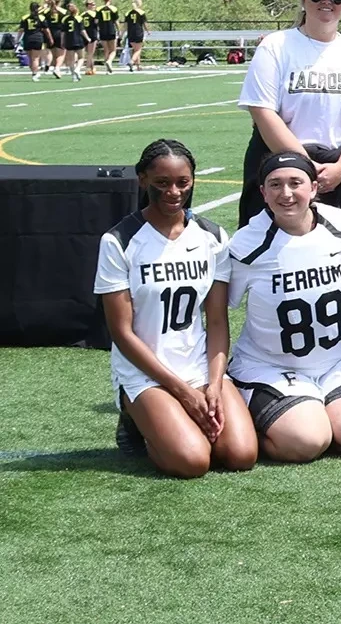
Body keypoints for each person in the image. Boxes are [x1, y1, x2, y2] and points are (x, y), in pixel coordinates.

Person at [95, 139, 257, 477]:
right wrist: (183, 393)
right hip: (146, 371)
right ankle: (136, 419)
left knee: (240, 455)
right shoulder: (119, 241)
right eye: (162, 183)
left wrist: (214, 384)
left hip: (198, 363)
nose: (173, 192)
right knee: (192, 462)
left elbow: (216, 321)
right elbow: (122, 334)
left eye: (182, 182)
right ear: (142, 181)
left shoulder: (211, 236)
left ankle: (172, 421)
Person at [215, 152, 341, 463]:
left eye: (295, 183)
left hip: (340, 362)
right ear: (262, 193)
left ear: (313, 187)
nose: (286, 193)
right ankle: (254, 423)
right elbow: (218, 313)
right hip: (269, 366)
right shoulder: (246, 245)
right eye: (275, 185)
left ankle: (318, 411)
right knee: (307, 441)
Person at [236, 0, 341, 226]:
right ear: (303, 0)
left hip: (336, 171)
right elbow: (262, 112)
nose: (327, 1)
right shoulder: (276, 46)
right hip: (280, 165)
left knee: (338, 256)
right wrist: (303, 167)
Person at [60, 0, 91, 81]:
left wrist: (62, 41)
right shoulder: (79, 18)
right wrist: (87, 38)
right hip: (78, 40)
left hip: (69, 40)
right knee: (81, 57)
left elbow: (63, 32)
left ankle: (73, 76)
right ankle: (77, 69)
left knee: (71, 59)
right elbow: (82, 30)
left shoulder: (65, 19)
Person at [19, 1, 46, 81]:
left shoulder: (25, 17)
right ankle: (35, 73)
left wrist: (17, 39)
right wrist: (50, 38)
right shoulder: (41, 17)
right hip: (37, 38)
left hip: (27, 38)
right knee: (35, 58)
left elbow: (21, 30)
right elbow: (46, 30)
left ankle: (34, 72)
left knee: (31, 58)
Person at [94, 0, 119, 74]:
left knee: (106, 50)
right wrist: (119, 30)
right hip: (111, 30)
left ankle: (107, 70)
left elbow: (96, 21)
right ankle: (109, 62)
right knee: (113, 51)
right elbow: (116, 21)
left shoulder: (98, 9)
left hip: (102, 31)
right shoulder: (114, 9)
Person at [124, 0, 148, 70]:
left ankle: (138, 66)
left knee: (136, 49)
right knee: (138, 49)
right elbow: (144, 23)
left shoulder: (128, 13)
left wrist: (121, 33)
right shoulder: (141, 12)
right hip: (138, 32)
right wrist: (148, 30)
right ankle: (131, 62)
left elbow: (125, 25)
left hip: (130, 32)